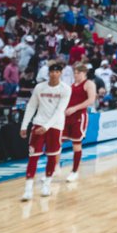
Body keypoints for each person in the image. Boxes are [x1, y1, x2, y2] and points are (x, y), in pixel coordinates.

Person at [20, 61, 69, 200]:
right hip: (38, 123)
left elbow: (60, 111)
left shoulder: (65, 89)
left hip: (55, 126)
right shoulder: (39, 87)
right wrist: (24, 125)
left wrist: (46, 127)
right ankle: (28, 189)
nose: (54, 74)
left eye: (57, 72)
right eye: (52, 72)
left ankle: (47, 184)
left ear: (60, 73)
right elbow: (31, 106)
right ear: (48, 73)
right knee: (33, 156)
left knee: (52, 156)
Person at [62, 61, 97, 183]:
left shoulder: (89, 84)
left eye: (77, 73)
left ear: (84, 73)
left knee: (76, 144)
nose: (75, 75)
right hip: (67, 116)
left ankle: (74, 171)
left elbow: (91, 100)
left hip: (79, 116)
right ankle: (53, 168)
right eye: (74, 73)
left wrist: (75, 108)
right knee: (57, 141)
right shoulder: (72, 84)